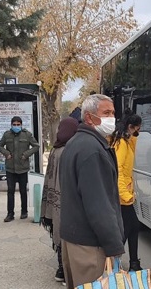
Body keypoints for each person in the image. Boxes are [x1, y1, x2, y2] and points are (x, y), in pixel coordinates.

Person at [59, 94, 124, 288]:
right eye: (106, 113)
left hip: (74, 239)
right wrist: (114, 245)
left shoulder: (75, 143)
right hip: (91, 246)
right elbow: (99, 205)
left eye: (113, 113)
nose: (111, 118)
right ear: (89, 117)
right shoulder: (92, 150)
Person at [40, 117, 78, 284]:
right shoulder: (70, 150)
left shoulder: (56, 149)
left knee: (58, 231)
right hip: (67, 198)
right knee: (69, 234)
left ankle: (60, 269)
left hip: (54, 199)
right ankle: (66, 270)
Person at [109, 110, 143, 271]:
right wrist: (125, 194)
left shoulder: (125, 140)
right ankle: (113, 261)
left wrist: (133, 137)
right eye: (137, 129)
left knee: (132, 227)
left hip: (123, 192)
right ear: (131, 127)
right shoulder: (121, 143)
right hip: (122, 194)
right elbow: (119, 170)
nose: (139, 132)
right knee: (129, 227)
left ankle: (132, 263)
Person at [0, 116, 40, 221]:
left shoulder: (27, 134)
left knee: (23, 190)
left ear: (21, 124)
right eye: (14, 124)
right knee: (10, 191)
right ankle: (10, 214)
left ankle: (24, 211)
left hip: (23, 167)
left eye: (18, 124)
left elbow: (36, 146)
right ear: (11, 125)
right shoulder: (7, 134)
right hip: (10, 168)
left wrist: (26, 154)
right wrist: (6, 153)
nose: (16, 126)